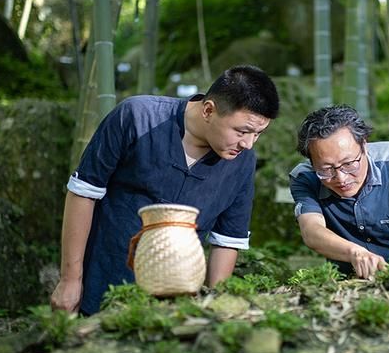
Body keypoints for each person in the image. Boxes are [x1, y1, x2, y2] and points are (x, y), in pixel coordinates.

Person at [51, 65, 280, 315]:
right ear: (208, 110)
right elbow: (83, 193)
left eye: (258, 134)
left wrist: (215, 307)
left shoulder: (242, 162)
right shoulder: (137, 117)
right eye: (242, 131)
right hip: (102, 280)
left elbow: (227, 240)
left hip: (176, 301)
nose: (248, 144)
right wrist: (70, 279)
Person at [289, 105, 389, 279]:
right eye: (326, 169)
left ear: (364, 145)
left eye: (348, 164)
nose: (341, 178)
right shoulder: (305, 177)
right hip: (346, 283)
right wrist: (355, 253)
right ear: (311, 161)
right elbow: (312, 231)